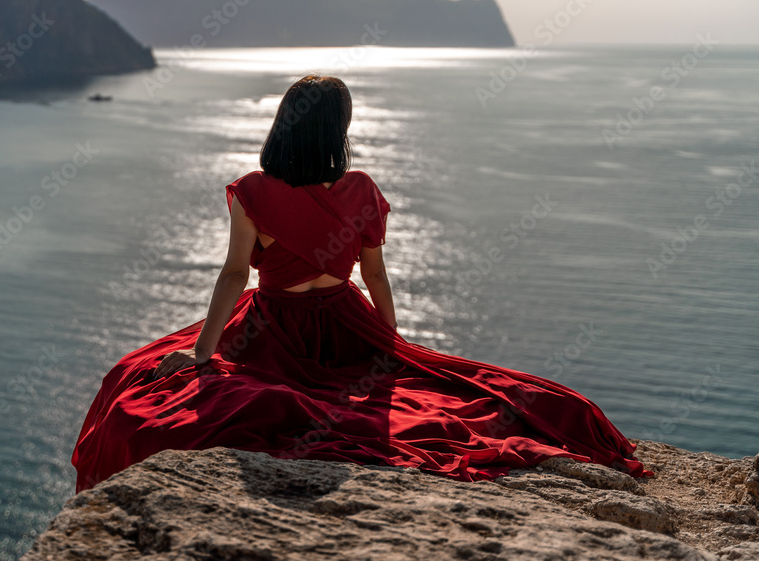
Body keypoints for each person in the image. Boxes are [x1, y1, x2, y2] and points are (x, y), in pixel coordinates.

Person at [71, 75, 649, 492]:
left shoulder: (253, 191)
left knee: (135, 383)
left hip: (272, 329)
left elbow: (231, 274)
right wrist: (391, 346)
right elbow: (374, 276)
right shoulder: (361, 189)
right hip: (349, 322)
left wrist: (201, 355)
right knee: (442, 398)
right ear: (337, 132)